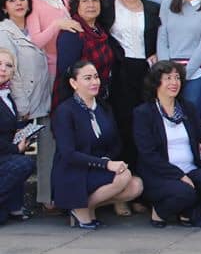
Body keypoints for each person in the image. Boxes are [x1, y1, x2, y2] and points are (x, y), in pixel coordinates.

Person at [134, 60, 201, 227]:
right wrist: (179, 176)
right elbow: (148, 154)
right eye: (168, 78)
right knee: (185, 192)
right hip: (162, 174)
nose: (174, 83)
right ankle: (159, 212)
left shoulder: (187, 108)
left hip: (190, 171)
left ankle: (186, 211)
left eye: (177, 78)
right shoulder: (144, 112)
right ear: (156, 82)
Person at [52, 60, 143, 228]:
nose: (94, 82)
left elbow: (116, 142)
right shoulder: (65, 111)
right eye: (87, 78)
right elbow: (68, 154)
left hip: (98, 167)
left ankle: (84, 207)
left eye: (96, 77)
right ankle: (80, 209)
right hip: (73, 171)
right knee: (123, 177)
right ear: (74, 83)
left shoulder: (104, 107)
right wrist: (106, 164)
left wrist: (108, 160)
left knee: (135, 186)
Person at [101, 0, 160, 171]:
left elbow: (159, 37)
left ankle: (143, 180)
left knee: (145, 124)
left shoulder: (154, 9)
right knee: (122, 123)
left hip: (146, 71)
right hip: (119, 71)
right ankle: (123, 177)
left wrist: (156, 53)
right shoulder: (107, 5)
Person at [0, 0, 52, 209]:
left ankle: (19, 204)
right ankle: (12, 204)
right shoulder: (4, 32)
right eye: (12, 0)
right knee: (16, 156)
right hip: (22, 103)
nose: (19, 3)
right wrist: (21, 105)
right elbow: (12, 72)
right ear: (4, 7)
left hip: (41, 99)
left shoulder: (33, 28)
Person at [54, 0, 114, 112]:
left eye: (95, 0)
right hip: (76, 103)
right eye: (85, 1)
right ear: (77, 5)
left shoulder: (100, 30)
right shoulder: (73, 32)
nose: (91, 5)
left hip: (99, 98)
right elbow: (67, 74)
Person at [25, 0, 82, 84]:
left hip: (72, 63)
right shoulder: (33, 3)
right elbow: (36, 42)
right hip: (51, 70)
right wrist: (56, 25)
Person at [0, 48, 35, 224]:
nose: (3, 69)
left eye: (8, 65)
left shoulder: (7, 96)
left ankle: (12, 207)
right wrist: (16, 147)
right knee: (24, 162)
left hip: (4, 153)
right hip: (4, 154)